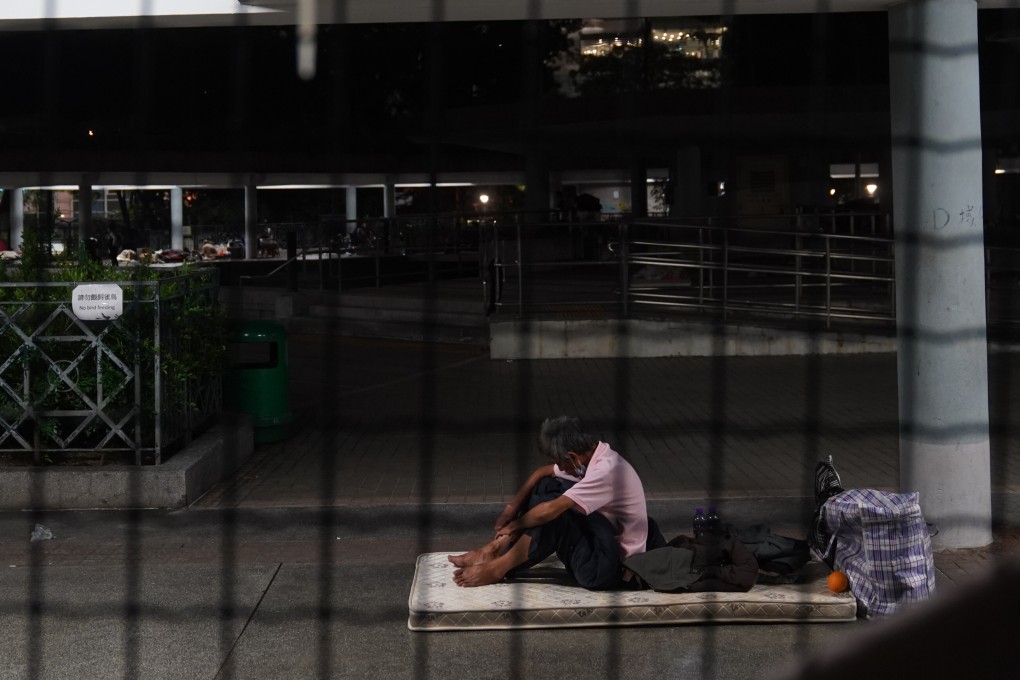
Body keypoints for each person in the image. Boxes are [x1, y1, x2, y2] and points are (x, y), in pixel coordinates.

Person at [449, 416, 665, 590]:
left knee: (556, 513)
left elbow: (551, 510)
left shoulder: (608, 470)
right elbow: (542, 473)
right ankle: (494, 550)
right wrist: (511, 509)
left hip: (609, 569)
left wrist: (515, 525)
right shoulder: (590, 456)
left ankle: (497, 568)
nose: (561, 468)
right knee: (546, 486)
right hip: (599, 542)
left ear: (573, 456)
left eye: (562, 463)